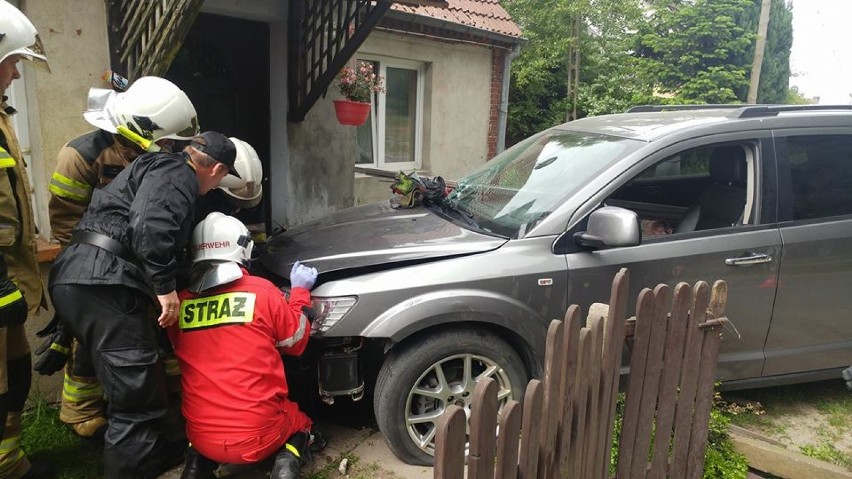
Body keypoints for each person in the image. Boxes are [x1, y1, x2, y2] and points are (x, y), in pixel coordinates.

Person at [48, 131, 240, 479]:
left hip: (79, 276)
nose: (216, 188)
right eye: (222, 180)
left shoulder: (152, 163)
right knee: (136, 397)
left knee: (133, 380)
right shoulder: (178, 174)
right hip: (105, 282)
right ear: (218, 169)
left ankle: (147, 455)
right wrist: (165, 289)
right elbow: (150, 227)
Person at [34, 75, 200, 442]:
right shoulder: (82, 154)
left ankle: (165, 401)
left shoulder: (151, 145)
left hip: (139, 259)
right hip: (100, 263)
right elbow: (67, 219)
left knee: (149, 337)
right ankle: (82, 412)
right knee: (88, 343)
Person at [168, 212, 322, 479]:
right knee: (300, 422)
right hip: (261, 435)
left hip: (201, 434)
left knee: (205, 429)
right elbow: (295, 342)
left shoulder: (179, 304)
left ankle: (196, 467)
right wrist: (300, 293)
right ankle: (286, 465)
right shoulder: (261, 292)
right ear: (243, 248)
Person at [0, 2, 55, 477]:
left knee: (13, 380)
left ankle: (10, 463)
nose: (16, 74)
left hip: (7, 284)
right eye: (12, 61)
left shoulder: (0, 118)